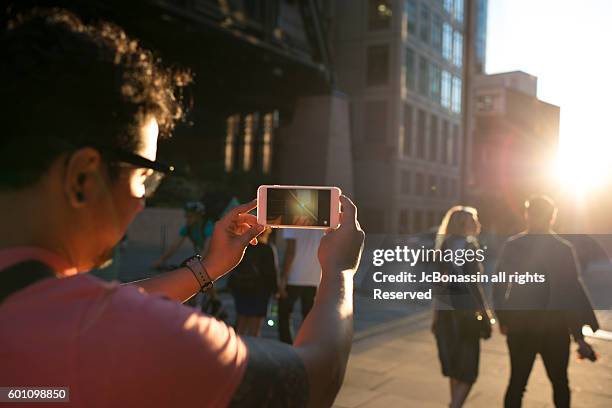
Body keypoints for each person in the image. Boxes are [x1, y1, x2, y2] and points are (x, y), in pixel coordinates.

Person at [0, 9, 365, 407]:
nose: (144, 200)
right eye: (145, 177)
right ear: (83, 176)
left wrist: (206, 270)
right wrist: (339, 273)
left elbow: (87, 304)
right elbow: (317, 376)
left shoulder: (46, 312)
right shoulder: (137, 337)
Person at [493, 195, 599, 408]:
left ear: (527, 215)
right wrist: (579, 334)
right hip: (555, 327)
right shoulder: (563, 248)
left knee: (517, 383)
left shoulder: (514, 245)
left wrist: (503, 317)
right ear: (553, 217)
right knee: (560, 383)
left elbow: (500, 284)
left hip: (521, 325)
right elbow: (571, 290)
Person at [431, 206, 492, 408]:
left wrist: (434, 317)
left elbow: (439, 286)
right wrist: (485, 312)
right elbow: (474, 286)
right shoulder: (469, 247)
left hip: (445, 314)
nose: (477, 223)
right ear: (464, 224)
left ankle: (454, 404)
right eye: (473, 220)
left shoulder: (444, 246)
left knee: (455, 368)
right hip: (465, 315)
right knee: (468, 372)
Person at [229, 227, 278, 336]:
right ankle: (251, 352)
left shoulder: (243, 247)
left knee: (241, 323)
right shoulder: (267, 248)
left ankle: (237, 350)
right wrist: (276, 291)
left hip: (242, 288)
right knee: (255, 329)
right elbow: (271, 272)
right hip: (260, 290)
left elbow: (234, 267)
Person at [278, 228, 324, 344]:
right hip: (313, 278)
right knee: (308, 316)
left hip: (294, 278)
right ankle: (307, 344)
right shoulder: (319, 223)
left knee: (284, 314)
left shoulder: (291, 222)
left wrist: (283, 277)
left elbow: (290, 251)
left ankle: (287, 346)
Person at [152, 201, 211, 268]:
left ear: (199, 216)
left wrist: (198, 263)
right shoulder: (188, 228)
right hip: (204, 259)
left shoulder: (208, 226)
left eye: (190, 216)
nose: (187, 219)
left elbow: (207, 248)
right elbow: (174, 246)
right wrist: (161, 260)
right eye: (186, 216)